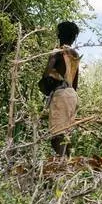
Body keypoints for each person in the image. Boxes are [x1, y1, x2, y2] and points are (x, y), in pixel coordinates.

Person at [41, 21, 81, 157]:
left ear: (59, 34)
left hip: (61, 95)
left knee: (57, 136)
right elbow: (75, 82)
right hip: (72, 95)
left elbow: (46, 73)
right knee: (65, 134)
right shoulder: (75, 54)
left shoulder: (57, 52)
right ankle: (67, 167)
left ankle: (61, 169)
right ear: (74, 37)